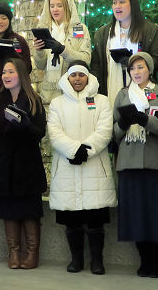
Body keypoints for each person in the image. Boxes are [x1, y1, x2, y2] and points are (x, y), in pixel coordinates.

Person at [48, 60, 116, 275]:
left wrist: (85, 150)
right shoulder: (57, 103)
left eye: (81, 75)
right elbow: (54, 132)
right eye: (73, 75)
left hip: (94, 166)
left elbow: (105, 130)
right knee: (72, 221)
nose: (77, 79)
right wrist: (72, 150)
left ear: (89, 77)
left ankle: (97, 260)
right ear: (67, 78)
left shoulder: (102, 101)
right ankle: (76, 259)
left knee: (95, 220)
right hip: (67, 167)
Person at [113, 52, 158, 278]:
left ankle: (155, 260)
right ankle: (143, 259)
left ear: (149, 69)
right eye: (133, 69)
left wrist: (146, 120)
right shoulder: (122, 95)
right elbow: (114, 132)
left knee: (154, 212)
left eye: (140, 67)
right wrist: (123, 123)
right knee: (135, 213)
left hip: (153, 159)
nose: (136, 72)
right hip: (129, 160)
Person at [0, 58, 47, 270]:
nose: (6, 75)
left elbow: (40, 133)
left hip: (27, 162)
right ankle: (13, 252)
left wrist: (25, 125)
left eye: (11, 71)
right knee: (8, 210)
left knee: (29, 210)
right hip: (4, 163)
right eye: (4, 72)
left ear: (21, 75)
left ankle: (32, 254)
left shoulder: (33, 101)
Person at [91, 0, 158, 108]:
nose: (117, 6)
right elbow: (96, 66)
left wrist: (135, 62)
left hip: (143, 92)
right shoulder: (103, 33)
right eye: (114, 3)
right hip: (110, 91)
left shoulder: (149, 30)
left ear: (133, 5)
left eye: (122, 2)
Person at [33, 0, 91, 103]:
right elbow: (40, 66)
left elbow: (86, 60)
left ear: (67, 6)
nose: (55, 9)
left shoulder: (79, 29)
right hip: (48, 94)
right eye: (52, 6)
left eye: (59, 5)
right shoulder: (46, 30)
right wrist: (39, 51)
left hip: (72, 92)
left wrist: (63, 50)